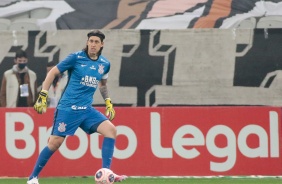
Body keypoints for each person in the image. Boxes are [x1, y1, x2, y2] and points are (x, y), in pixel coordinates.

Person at [27, 30, 127, 184]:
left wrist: (108, 102)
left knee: (111, 130)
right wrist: (43, 94)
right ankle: (33, 178)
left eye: (96, 42)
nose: (93, 44)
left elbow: (103, 85)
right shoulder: (75, 58)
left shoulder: (104, 64)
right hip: (68, 108)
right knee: (55, 143)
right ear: (87, 42)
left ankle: (106, 173)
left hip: (86, 110)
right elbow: (53, 73)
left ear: (102, 45)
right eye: (91, 41)